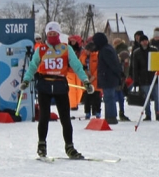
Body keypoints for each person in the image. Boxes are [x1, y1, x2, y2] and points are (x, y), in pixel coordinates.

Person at [21, 22, 91, 158]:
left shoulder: (66, 49)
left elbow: (77, 66)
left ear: (59, 34)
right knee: (44, 117)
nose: (52, 36)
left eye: (54, 34)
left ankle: (70, 147)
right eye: (49, 34)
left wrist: (86, 81)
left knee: (65, 118)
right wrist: (26, 80)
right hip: (44, 85)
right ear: (46, 35)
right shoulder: (40, 50)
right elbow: (33, 66)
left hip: (60, 86)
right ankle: (41, 145)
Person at [93, 32, 125, 124]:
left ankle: (111, 117)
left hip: (108, 78)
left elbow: (113, 64)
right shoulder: (107, 48)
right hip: (108, 77)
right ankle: (109, 116)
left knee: (109, 98)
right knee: (108, 97)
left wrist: (119, 74)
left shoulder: (106, 50)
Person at [131, 31, 157, 120]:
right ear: (140, 42)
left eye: (146, 40)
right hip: (143, 79)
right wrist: (136, 81)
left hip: (154, 78)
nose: (145, 42)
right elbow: (135, 68)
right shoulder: (136, 53)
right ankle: (148, 114)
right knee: (146, 99)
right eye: (143, 41)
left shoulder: (154, 50)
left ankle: (158, 113)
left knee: (157, 97)